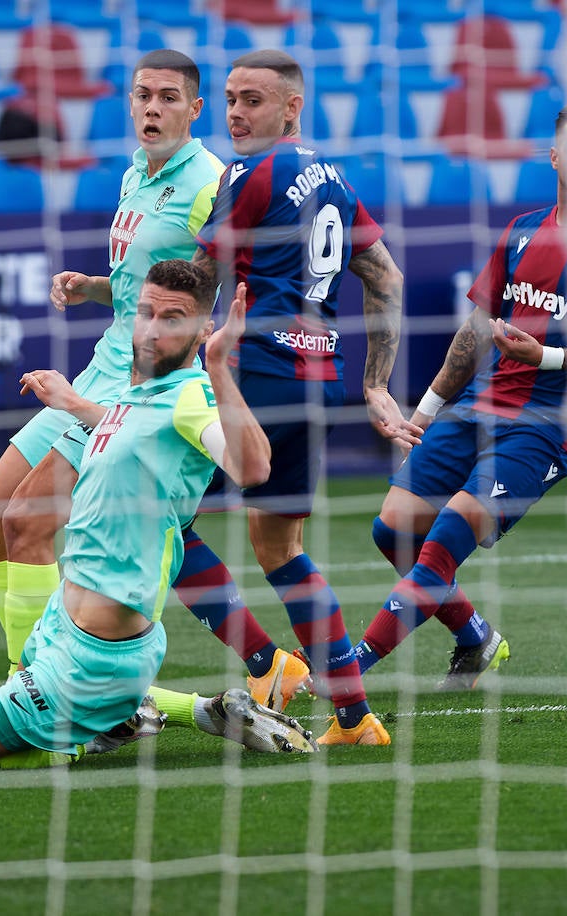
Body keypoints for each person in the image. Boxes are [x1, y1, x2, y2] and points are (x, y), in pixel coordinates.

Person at [0, 50, 308, 713]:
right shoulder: (137, 172)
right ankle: (260, 663)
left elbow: (227, 286)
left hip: (148, 379)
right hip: (104, 361)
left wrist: (215, 362)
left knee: (32, 523)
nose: (152, 107)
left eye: (168, 97)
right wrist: (94, 286)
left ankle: (39, 689)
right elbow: (151, 285)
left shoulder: (212, 180)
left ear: (194, 109)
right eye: (142, 95)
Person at [0, 261, 315, 770]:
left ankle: (84, 726)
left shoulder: (191, 394)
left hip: (91, 657)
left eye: (172, 318)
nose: (150, 328)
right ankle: (198, 712)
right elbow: (129, 430)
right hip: (67, 626)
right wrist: (73, 402)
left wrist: (217, 368)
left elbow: (252, 466)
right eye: (145, 312)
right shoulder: (139, 394)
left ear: (203, 330)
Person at [349, 107, 567, 687]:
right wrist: (425, 413)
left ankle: (347, 670)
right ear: (555, 156)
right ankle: (476, 639)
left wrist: (543, 358)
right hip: (479, 408)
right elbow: (473, 335)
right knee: (392, 530)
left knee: (443, 541)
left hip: (549, 424)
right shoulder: (522, 230)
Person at [182, 49, 424, 746]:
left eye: (252, 99)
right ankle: (354, 717)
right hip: (316, 380)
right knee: (280, 546)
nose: (234, 112)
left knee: (164, 524)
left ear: (292, 106)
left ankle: (265, 664)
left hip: (252, 371)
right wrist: (375, 383)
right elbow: (387, 279)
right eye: (229, 97)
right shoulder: (335, 177)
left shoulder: (248, 172)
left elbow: (199, 280)